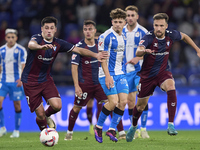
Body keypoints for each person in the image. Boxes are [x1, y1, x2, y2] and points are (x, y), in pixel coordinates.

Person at [21, 16, 108, 132]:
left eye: (51, 28)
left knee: (57, 106)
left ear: (55, 30)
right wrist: (40, 47)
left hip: (46, 79)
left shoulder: (58, 43)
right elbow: (31, 45)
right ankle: (45, 133)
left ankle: (47, 116)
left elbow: (79, 50)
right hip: (30, 81)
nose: (48, 30)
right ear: (42, 29)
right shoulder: (36, 39)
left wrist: (96, 55)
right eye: (46, 28)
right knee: (39, 114)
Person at [126, 13, 200, 142]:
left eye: (161, 25)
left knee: (171, 86)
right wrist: (143, 51)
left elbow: (185, 37)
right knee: (140, 107)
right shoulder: (148, 37)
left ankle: (171, 124)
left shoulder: (171, 34)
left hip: (163, 72)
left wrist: (197, 49)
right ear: (153, 25)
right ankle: (133, 127)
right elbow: (138, 50)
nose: (158, 28)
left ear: (166, 26)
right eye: (156, 25)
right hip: (147, 76)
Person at [64, 20, 107, 140]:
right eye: (85, 29)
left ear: (94, 30)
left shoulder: (101, 44)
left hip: (100, 83)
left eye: (90, 29)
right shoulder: (78, 47)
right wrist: (77, 86)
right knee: (76, 108)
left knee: (111, 104)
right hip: (85, 84)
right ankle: (69, 132)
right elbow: (74, 66)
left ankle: (116, 131)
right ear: (83, 31)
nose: (88, 32)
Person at [94, 8, 129, 143]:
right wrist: (108, 76)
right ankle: (98, 127)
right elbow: (102, 58)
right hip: (106, 74)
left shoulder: (124, 36)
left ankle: (112, 129)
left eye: (120, 22)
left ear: (124, 22)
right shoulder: (105, 36)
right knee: (113, 102)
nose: (118, 24)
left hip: (121, 73)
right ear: (112, 22)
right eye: (115, 22)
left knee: (123, 102)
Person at [122, 5, 149, 139]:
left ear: (137, 17)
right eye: (128, 15)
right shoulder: (120, 31)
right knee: (130, 102)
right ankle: (135, 128)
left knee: (142, 100)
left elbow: (150, 52)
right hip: (125, 71)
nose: (130, 18)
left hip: (140, 71)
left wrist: (138, 57)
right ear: (125, 17)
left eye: (133, 15)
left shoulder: (143, 32)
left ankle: (143, 128)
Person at [0, 29, 27, 138]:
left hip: (16, 81)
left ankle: (16, 130)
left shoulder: (21, 50)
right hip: (3, 80)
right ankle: (2, 128)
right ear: (5, 38)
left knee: (17, 105)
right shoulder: (1, 50)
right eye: (8, 37)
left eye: (13, 37)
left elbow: (23, 65)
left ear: (16, 38)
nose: (10, 39)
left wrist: (22, 78)